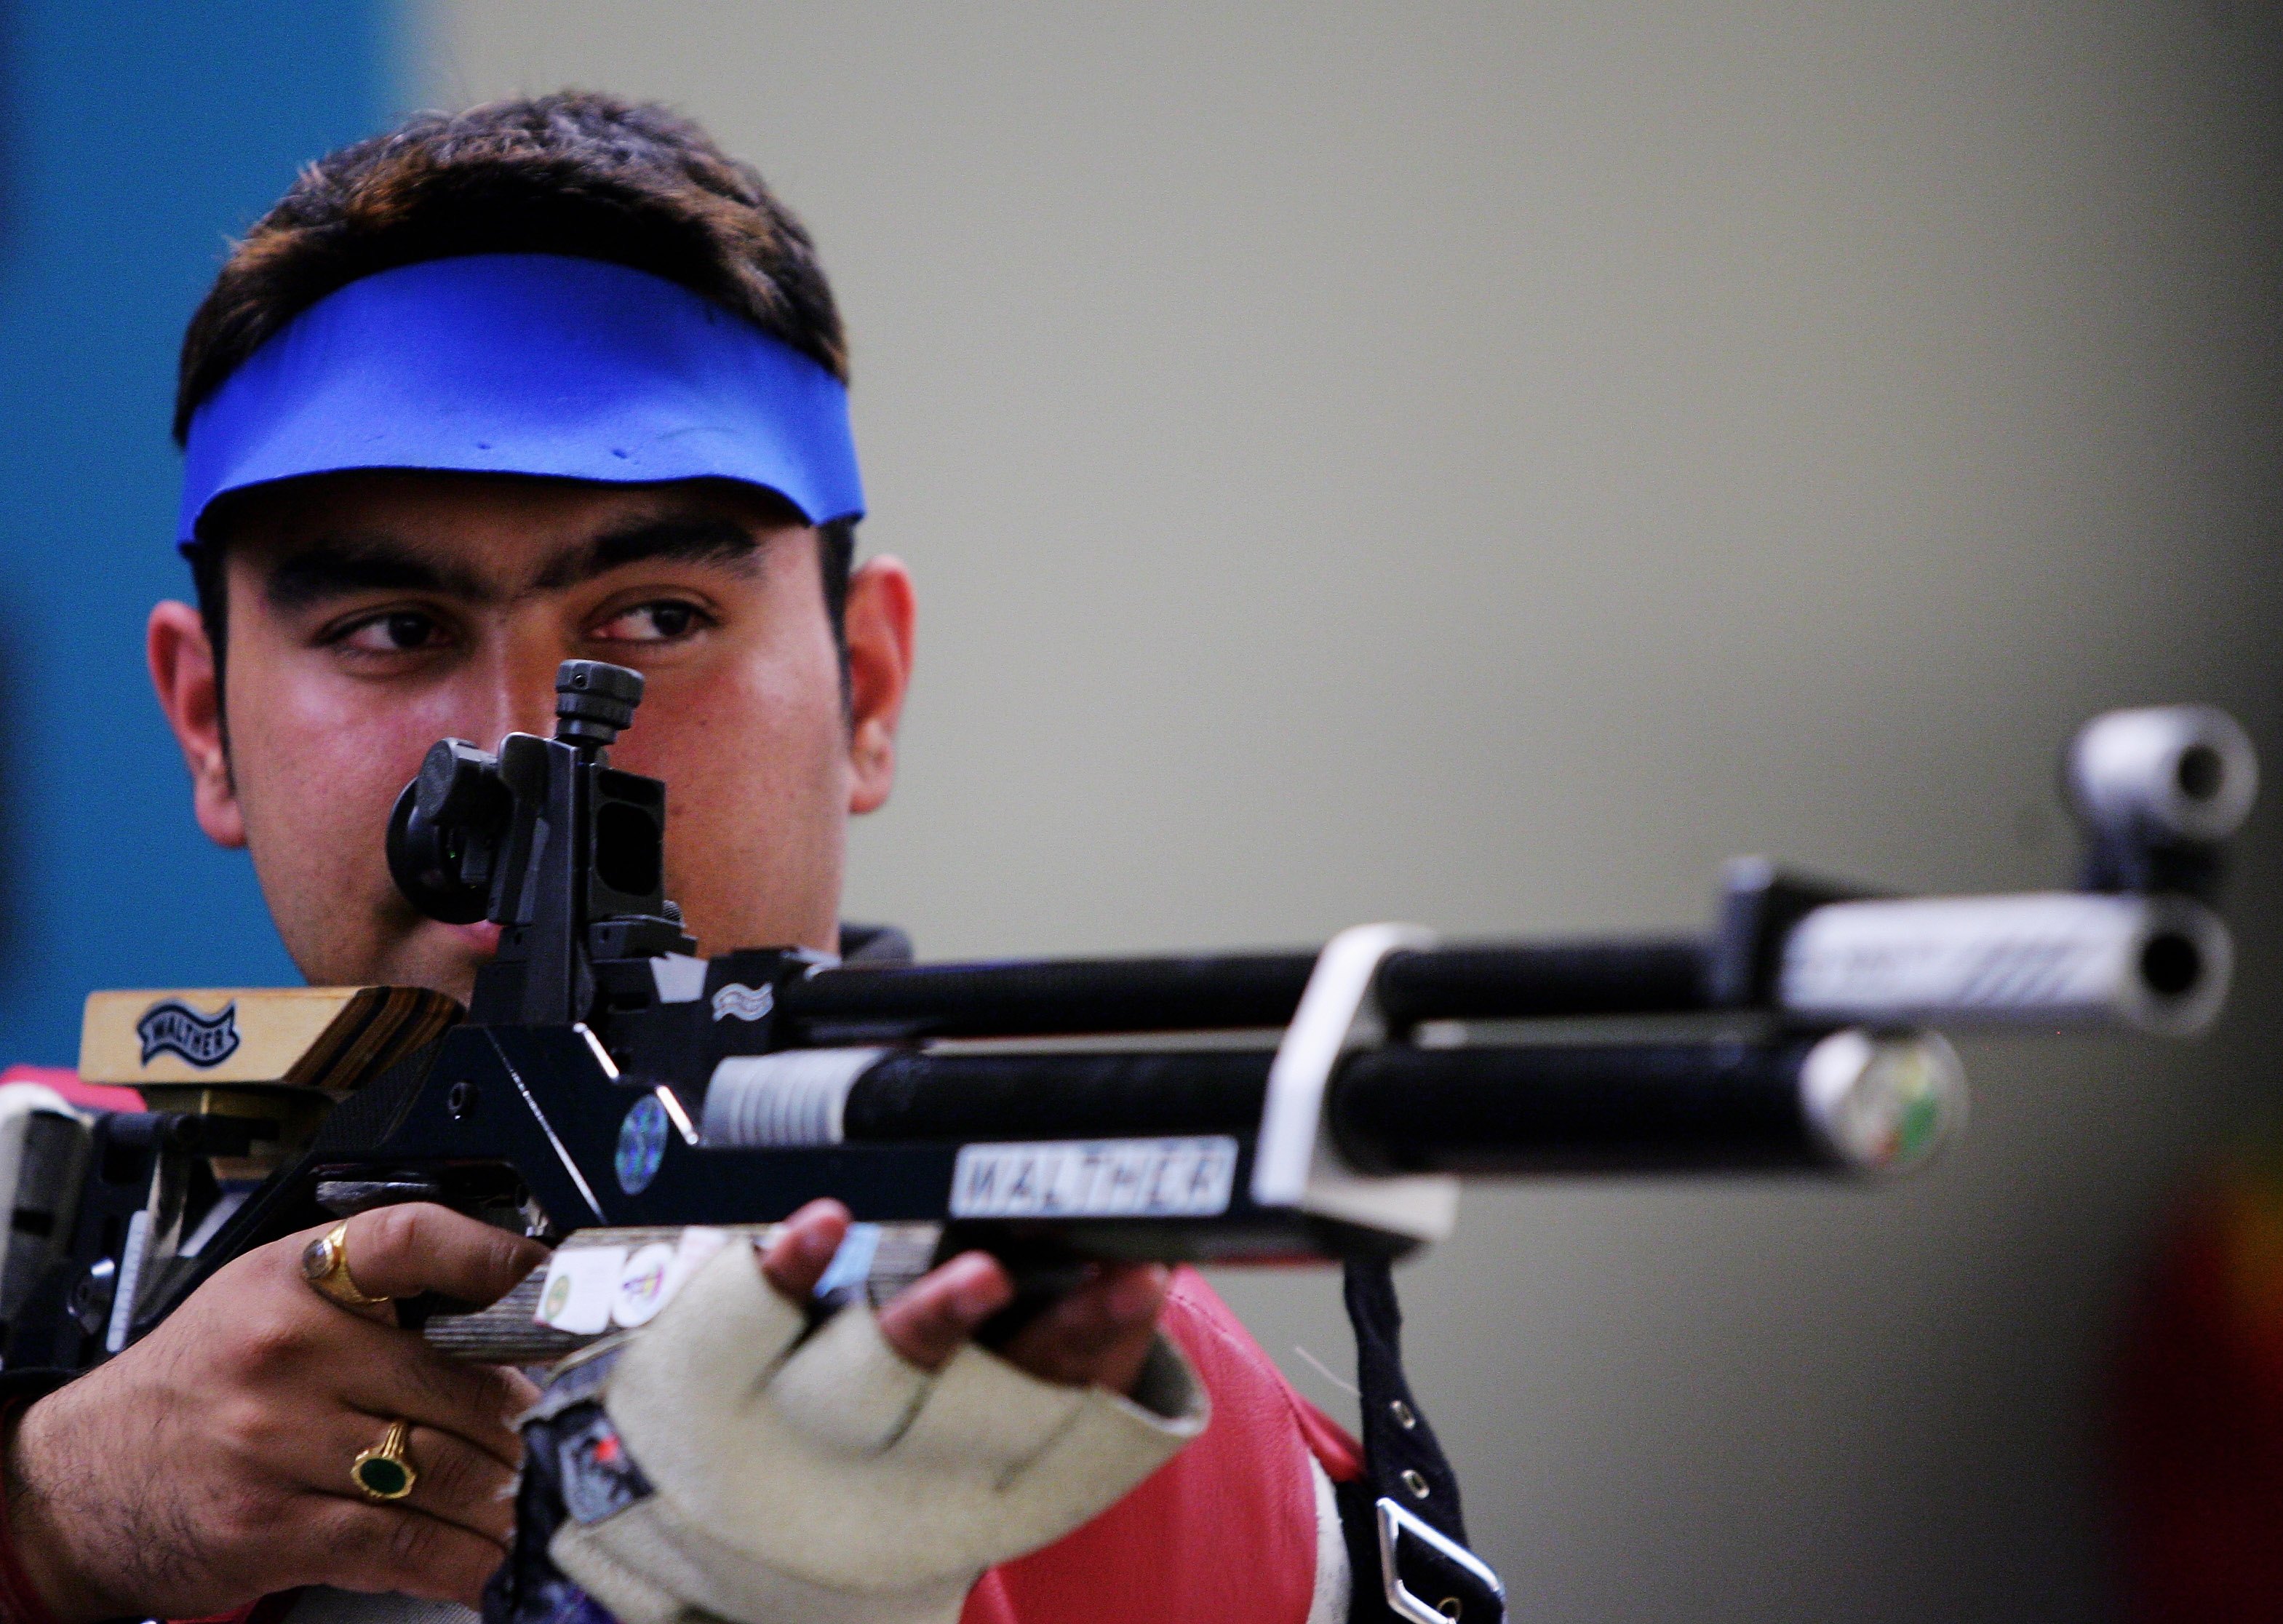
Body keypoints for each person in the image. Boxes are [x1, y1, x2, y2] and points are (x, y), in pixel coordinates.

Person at [0, 94, 1360, 1624]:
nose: (519, 751)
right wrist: (55, 1514)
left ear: (871, 687)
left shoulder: (1102, 1392)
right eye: (392, 632)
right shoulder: (33, 1220)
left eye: (656, 618)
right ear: (203, 722)